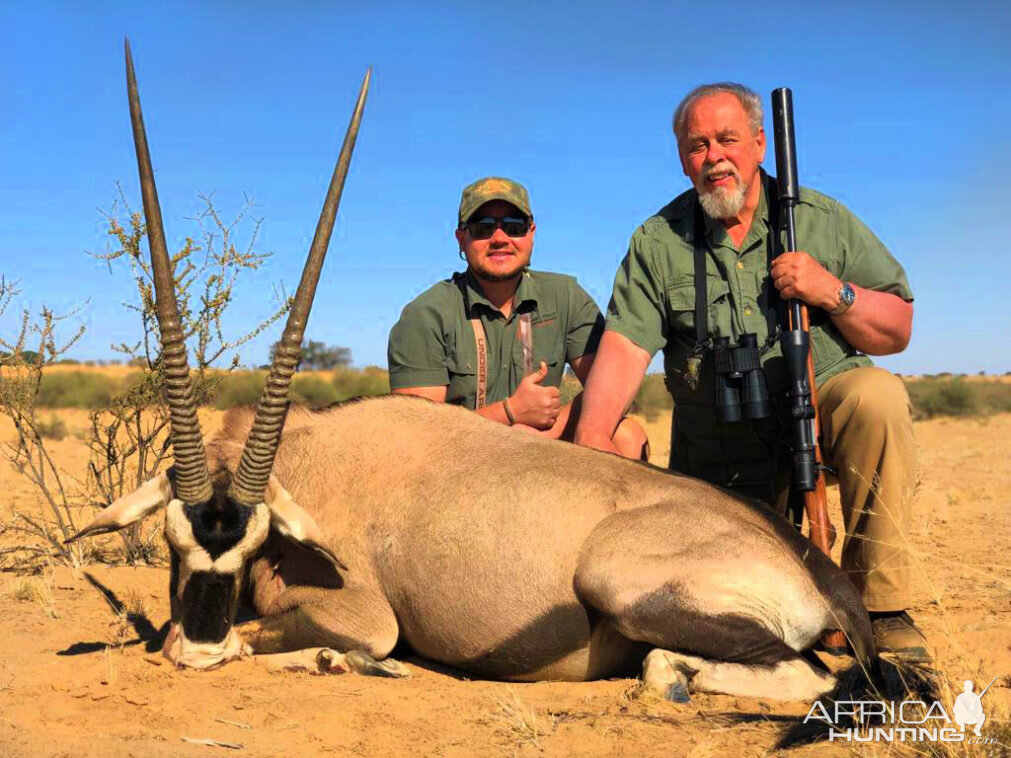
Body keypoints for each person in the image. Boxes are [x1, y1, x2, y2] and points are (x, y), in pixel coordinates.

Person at [574, 83, 928, 659]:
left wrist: (830, 291)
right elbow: (624, 348)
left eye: (728, 140)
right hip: (720, 453)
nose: (713, 156)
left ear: (761, 144)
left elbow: (898, 328)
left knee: (876, 397)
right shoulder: (657, 240)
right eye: (697, 145)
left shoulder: (823, 220)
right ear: (682, 158)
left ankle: (883, 606)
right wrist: (589, 445)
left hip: (813, 422)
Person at [388, 176, 648, 458]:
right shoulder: (425, 315)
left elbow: (612, 389)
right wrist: (509, 413)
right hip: (461, 468)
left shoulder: (566, 296)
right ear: (462, 239)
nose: (500, 239)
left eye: (514, 227)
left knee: (627, 436)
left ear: (531, 233)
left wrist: (546, 431)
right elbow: (416, 434)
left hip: (539, 458)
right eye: (483, 228)